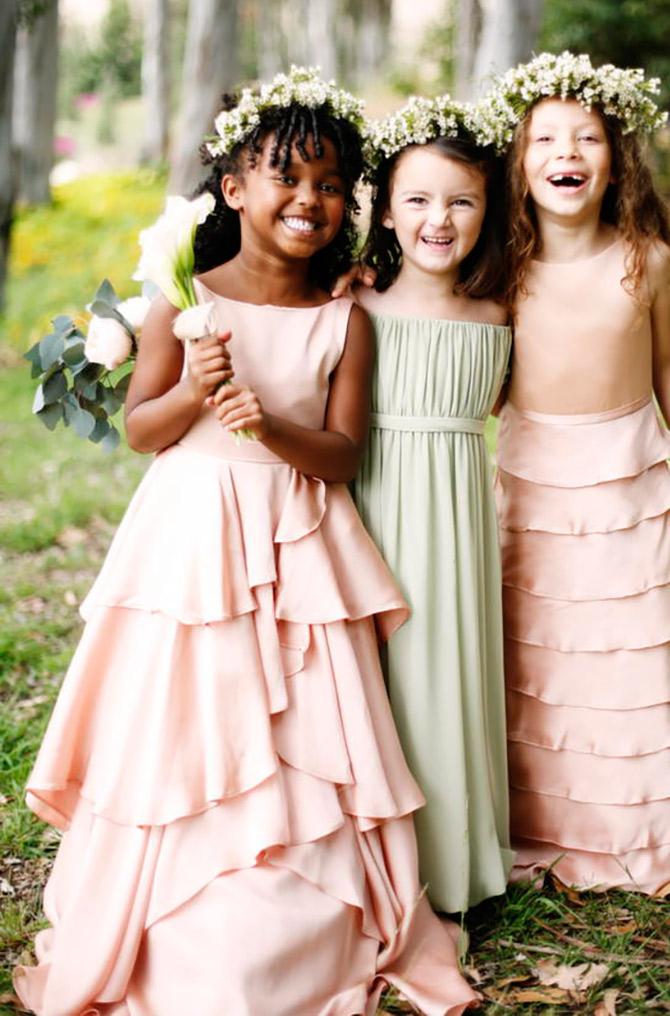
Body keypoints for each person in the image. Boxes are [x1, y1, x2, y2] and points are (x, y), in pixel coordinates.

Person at [14, 70, 479, 1016]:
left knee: (304, 729)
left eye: (331, 183)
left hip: (299, 542)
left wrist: (266, 426)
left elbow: (345, 456)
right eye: (286, 178)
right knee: (186, 714)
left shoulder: (345, 317)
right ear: (233, 189)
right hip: (189, 544)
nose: (310, 200)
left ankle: (297, 902)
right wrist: (195, 386)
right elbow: (145, 429)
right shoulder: (180, 303)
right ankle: (179, 885)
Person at [487, 52, 670, 894]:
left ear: (615, 159)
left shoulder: (646, 258)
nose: (568, 151)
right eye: (546, 138)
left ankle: (642, 834)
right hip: (537, 481)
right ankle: (544, 824)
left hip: (625, 475)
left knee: (625, 649)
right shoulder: (500, 270)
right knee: (544, 652)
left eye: (587, 137)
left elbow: (669, 366)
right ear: (519, 164)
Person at [351, 97, 515, 914]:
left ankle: (449, 866)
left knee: (445, 672)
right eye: (417, 199)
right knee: (376, 679)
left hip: (455, 521)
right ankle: (368, 865)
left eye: (461, 200)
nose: (438, 219)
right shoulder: (356, 305)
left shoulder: (501, 312)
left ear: (488, 209)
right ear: (385, 209)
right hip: (372, 506)